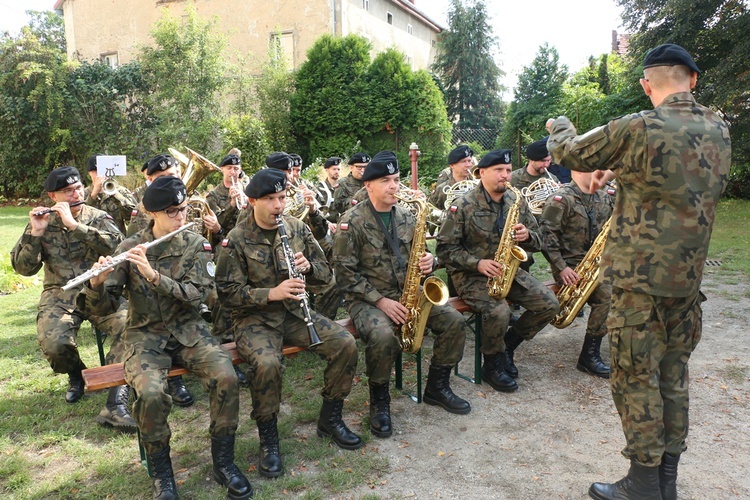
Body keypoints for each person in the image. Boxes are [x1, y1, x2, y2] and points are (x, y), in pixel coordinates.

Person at [547, 43, 731, 500]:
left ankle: (644, 484)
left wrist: (559, 125)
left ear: (647, 85)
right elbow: (669, 175)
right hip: (687, 286)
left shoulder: (640, 127)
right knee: (673, 376)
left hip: (639, 286)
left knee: (635, 379)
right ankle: (666, 482)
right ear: (693, 78)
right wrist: (621, 172)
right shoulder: (721, 129)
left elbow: (569, 153)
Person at [83, 176, 253, 500]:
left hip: (189, 331)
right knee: (149, 394)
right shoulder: (128, 248)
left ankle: (224, 462)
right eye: (173, 211)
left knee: (226, 377)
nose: (181, 216)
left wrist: (153, 275)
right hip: (145, 336)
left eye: (184, 208)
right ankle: (163, 474)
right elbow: (106, 306)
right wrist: (97, 284)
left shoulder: (195, 244)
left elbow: (196, 295)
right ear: (153, 213)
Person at [215, 168, 363, 478]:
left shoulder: (296, 228)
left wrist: (309, 267)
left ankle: (330, 419)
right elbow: (227, 294)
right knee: (267, 364)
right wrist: (271, 293)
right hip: (255, 319)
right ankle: (269, 440)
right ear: (253, 201)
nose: (277, 206)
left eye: (281, 198)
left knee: (345, 344)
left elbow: (326, 273)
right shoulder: (237, 239)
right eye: (269, 199)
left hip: (296, 314)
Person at [333, 151, 472, 439]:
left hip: (407, 293)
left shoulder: (407, 215)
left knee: (454, 321)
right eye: (386, 181)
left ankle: (437, 386)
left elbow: (422, 253)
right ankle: (380, 401)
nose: (395, 186)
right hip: (368, 300)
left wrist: (428, 262)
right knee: (383, 337)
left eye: (396, 180)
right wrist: (381, 301)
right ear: (369, 185)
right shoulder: (352, 221)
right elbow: (344, 274)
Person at [10, 166, 135, 431]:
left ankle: (116, 399)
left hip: (99, 291)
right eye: (67, 191)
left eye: (78, 187)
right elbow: (23, 268)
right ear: (53, 196)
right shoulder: (42, 222)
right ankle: (77, 375)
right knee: (55, 344)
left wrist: (75, 227)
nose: (76, 193)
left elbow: (119, 246)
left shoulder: (98, 217)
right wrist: (35, 233)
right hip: (60, 294)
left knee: (130, 327)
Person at [436, 150, 559, 391]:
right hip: (471, 275)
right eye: (499, 171)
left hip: (507, 270)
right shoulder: (463, 205)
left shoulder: (516, 200)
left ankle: (508, 347)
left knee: (550, 305)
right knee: (499, 312)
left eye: (508, 170)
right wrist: (477, 263)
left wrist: (527, 236)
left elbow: (538, 240)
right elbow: (445, 249)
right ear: (482, 173)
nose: (505, 176)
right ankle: (492, 365)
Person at [126, 154, 195, 407]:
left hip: (184, 304)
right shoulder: (143, 210)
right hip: (149, 313)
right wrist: (96, 283)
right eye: (162, 178)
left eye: (173, 176)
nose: (180, 214)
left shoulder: (184, 214)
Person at [538, 169, 614, 378]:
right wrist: (561, 267)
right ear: (577, 169)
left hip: (597, 262)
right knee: (606, 296)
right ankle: (589, 356)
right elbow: (546, 237)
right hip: (569, 267)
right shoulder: (560, 199)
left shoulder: (604, 195)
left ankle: (605, 351)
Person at [84, 154, 138, 234]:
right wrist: (93, 195)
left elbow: (133, 216)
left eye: (103, 171)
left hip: (117, 240)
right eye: (97, 171)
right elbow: (81, 219)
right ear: (90, 173)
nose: (102, 175)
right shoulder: (83, 193)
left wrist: (114, 193)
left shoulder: (122, 191)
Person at [428, 145, 475, 210]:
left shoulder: (477, 186)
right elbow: (431, 212)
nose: (468, 165)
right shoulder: (442, 189)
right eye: (463, 161)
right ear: (452, 165)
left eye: (469, 161)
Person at [330, 152, 370, 220]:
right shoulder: (343, 184)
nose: (363, 170)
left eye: (366, 167)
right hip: (352, 221)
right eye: (359, 167)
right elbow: (338, 206)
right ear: (351, 167)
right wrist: (357, 199)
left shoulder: (371, 182)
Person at [544, 118, 572, 184]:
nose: (550, 129)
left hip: (566, 170)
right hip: (552, 171)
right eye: (548, 128)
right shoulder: (544, 141)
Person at [316, 156, 341, 221]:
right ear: (327, 170)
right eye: (334, 169)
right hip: (326, 225)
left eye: (338, 169)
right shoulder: (320, 188)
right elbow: (317, 211)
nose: (337, 172)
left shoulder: (344, 187)